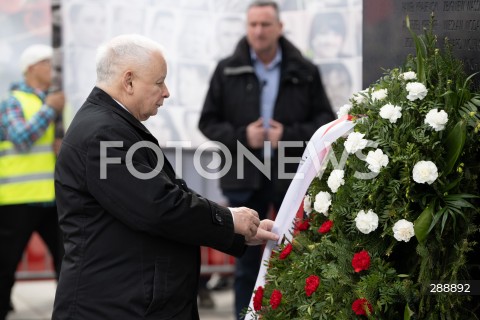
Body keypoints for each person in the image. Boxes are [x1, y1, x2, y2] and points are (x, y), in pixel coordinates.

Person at [52, 34, 278, 320]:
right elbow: (158, 207)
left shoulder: (112, 126)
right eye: (159, 82)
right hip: (115, 306)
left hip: (128, 300)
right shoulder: (103, 134)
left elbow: (166, 197)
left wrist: (236, 231)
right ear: (129, 81)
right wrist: (230, 221)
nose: (167, 92)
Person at [198, 1, 335, 319]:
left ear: (279, 27)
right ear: (247, 28)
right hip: (244, 176)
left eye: (265, 25)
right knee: (245, 261)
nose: (258, 31)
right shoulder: (226, 69)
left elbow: (325, 120)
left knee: (300, 251)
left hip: (292, 175)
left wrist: (287, 134)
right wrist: (244, 135)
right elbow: (208, 122)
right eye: (253, 25)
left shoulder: (304, 69)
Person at [0, 44, 65, 320]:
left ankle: (72, 310)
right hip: (17, 198)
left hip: (53, 197)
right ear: (31, 67)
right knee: (5, 264)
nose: (52, 69)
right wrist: (49, 110)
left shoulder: (59, 102)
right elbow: (21, 138)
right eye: (47, 63)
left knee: (69, 261)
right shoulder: (12, 101)